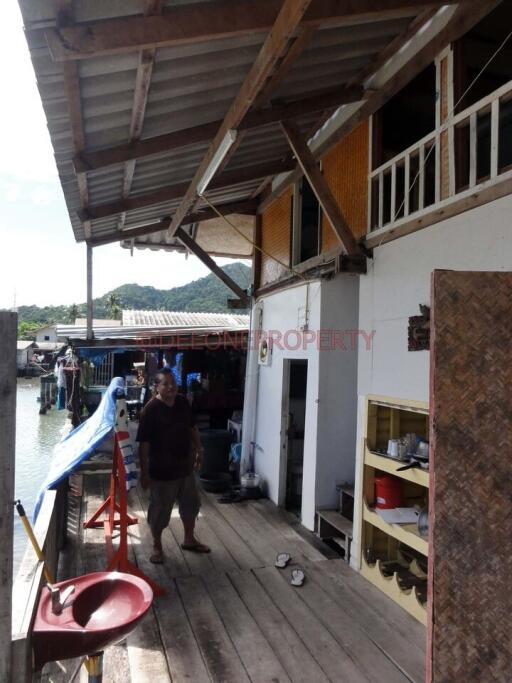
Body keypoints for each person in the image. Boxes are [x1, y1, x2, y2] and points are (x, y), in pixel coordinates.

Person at [136, 367, 209, 563]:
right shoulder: (150, 410)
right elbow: (143, 444)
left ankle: (189, 539)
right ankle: (157, 546)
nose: (171, 387)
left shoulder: (183, 401)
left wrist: (200, 449)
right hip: (161, 471)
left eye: (173, 383)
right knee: (160, 511)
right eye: (165, 384)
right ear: (156, 387)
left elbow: (192, 426)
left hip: (185, 467)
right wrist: (144, 472)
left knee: (191, 505)